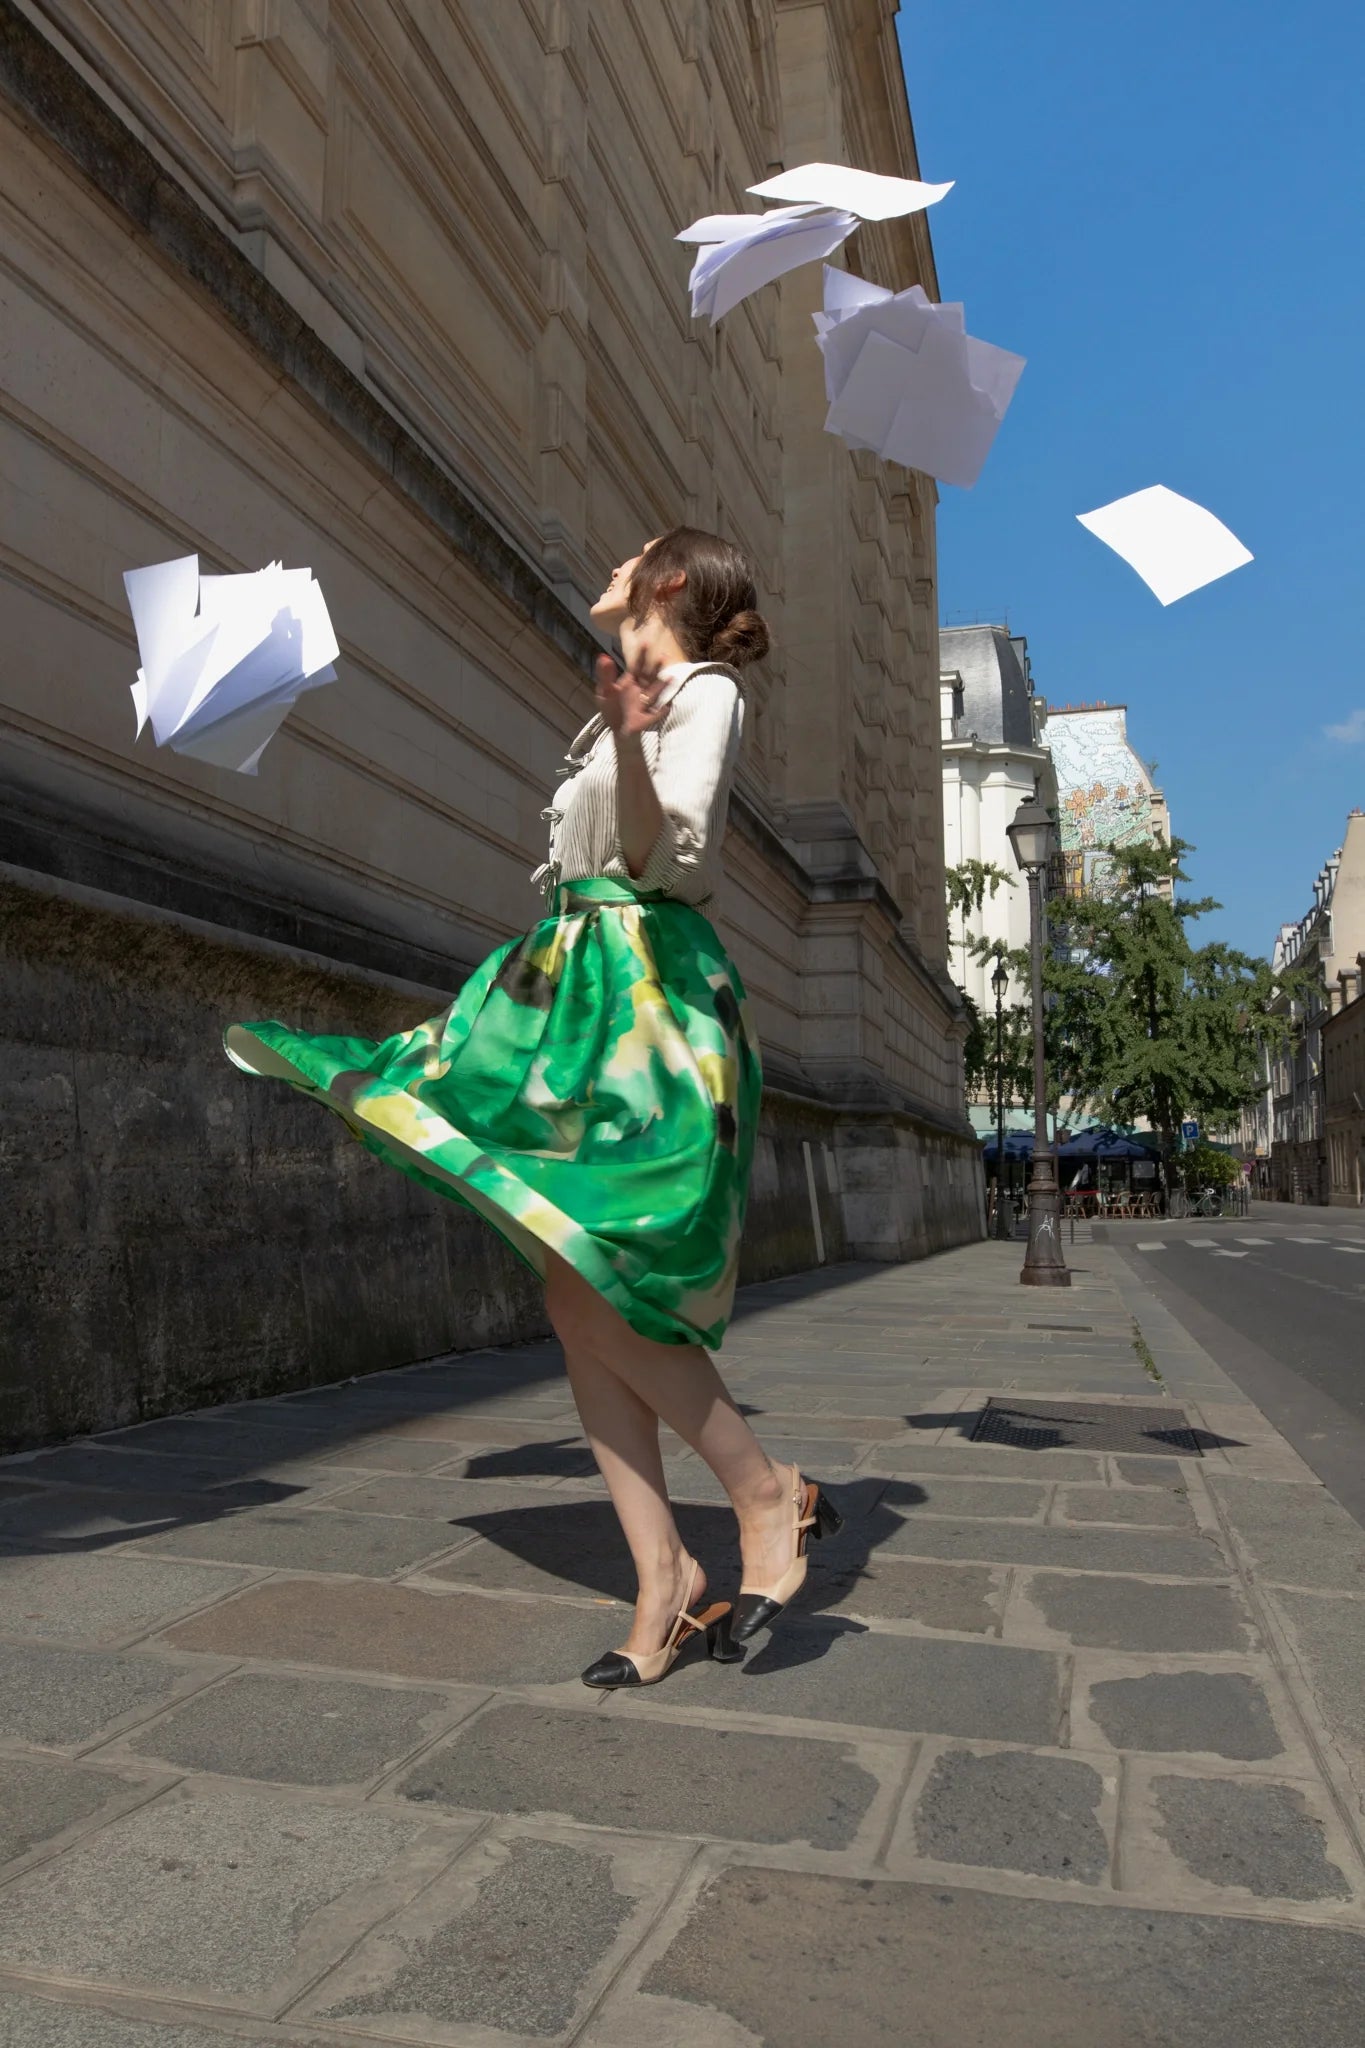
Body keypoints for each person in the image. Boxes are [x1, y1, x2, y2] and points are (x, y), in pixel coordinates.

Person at [224, 526, 840, 1689]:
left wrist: (633, 745)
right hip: (570, 994)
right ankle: (667, 1574)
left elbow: (668, 860)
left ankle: (763, 1495)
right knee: (571, 1286)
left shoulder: (703, 693)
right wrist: (614, 735)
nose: (615, 560)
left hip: (648, 1009)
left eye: (638, 551)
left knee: (594, 1271)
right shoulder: (629, 698)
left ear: (668, 584)